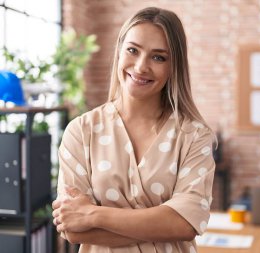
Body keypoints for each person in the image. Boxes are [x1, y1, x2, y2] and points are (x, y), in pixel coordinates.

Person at [52, 6, 216, 253]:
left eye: (158, 57)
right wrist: (161, 223)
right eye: (132, 50)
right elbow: (74, 229)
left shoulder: (194, 135)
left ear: (174, 67)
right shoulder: (81, 131)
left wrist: (93, 214)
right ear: (119, 52)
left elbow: (186, 223)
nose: (141, 67)